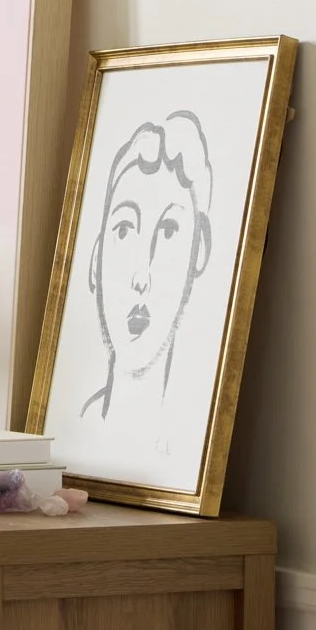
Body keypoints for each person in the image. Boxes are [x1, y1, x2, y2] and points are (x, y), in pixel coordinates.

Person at [82, 112, 213, 423]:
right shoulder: (68, 430)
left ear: (199, 253)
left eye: (168, 231)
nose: (142, 277)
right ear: (95, 258)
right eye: (125, 230)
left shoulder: (191, 439)